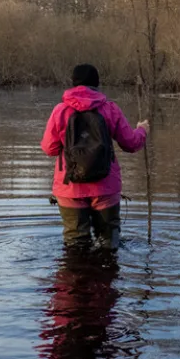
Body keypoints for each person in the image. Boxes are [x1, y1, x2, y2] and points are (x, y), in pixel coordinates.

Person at [40, 63, 148, 250]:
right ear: (97, 84)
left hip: (70, 187)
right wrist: (142, 130)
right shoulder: (110, 109)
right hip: (105, 186)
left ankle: (75, 276)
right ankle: (104, 276)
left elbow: (49, 148)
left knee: (75, 244)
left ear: (73, 83)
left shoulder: (60, 111)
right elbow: (131, 144)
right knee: (108, 243)